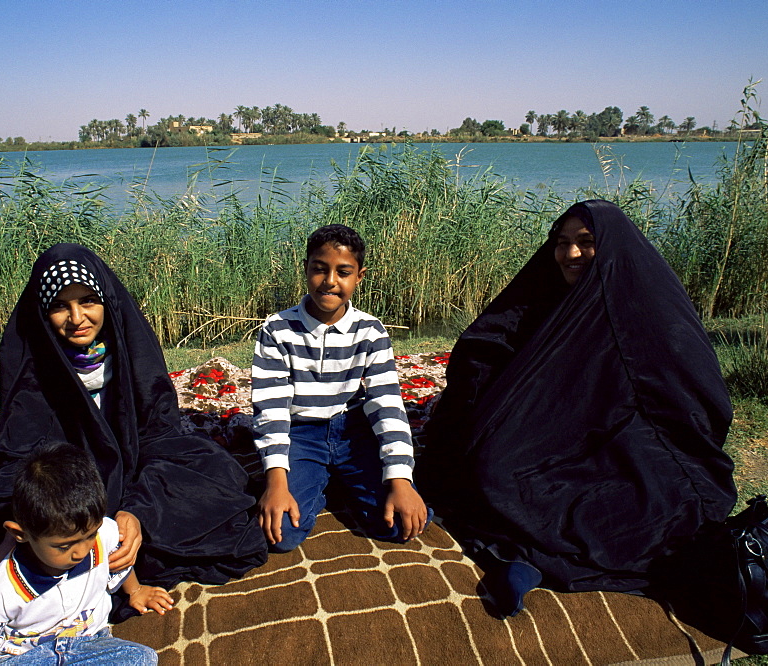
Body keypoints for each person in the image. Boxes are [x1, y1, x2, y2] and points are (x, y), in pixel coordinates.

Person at [420, 200, 736, 617]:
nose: (570, 255)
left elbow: (696, 393)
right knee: (491, 467)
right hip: (553, 426)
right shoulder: (548, 290)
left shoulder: (646, 301)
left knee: (652, 503)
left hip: (627, 432)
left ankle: (527, 561)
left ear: (608, 247)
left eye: (585, 243)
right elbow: (490, 343)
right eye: (562, 243)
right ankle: (524, 559)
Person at [0, 243, 268, 613]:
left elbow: (159, 434)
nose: (76, 317)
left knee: (217, 473)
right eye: (60, 306)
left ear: (106, 302)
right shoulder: (33, 362)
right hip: (67, 483)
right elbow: (21, 457)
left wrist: (137, 512)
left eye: (87, 301)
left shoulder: (131, 349)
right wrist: (13, 533)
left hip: (135, 467)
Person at [252, 224, 432, 553]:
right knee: (281, 534)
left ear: (359, 277)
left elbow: (387, 405)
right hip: (301, 432)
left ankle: (338, 477)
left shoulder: (371, 331)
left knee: (398, 524)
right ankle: (318, 479)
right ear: (306, 269)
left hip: (352, 429)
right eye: (319, 269)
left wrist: (400, 480)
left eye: (343, 272)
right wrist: (276, 480)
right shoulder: (277, 329)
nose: (330, 281)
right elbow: (272, 408)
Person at [0, 443, 162, 665]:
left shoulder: (104, 534)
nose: (81, 551)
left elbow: (117, 561)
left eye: (90, 535)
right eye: (64, 546)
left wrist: (136, 590)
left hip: (87, 645)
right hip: (29, 658)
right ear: (20, 534)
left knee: (141, 657)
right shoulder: (2, 589)